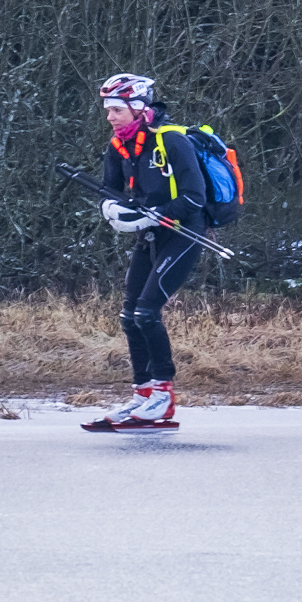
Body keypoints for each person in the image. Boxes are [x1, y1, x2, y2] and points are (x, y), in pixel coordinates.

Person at [85, 71, 214, 432]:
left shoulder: (171, 141)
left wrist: (153, 214)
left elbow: (194, 197)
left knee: (146, 312)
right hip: (151, 233)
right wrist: (113, 211)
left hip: (183, 231)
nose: (110, 117)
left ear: (139, 108)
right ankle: (142, 394)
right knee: (129, 316)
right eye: (108, 110)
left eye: (117, 110)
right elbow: (111, 191)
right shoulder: (118, 145)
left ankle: (163, 396)